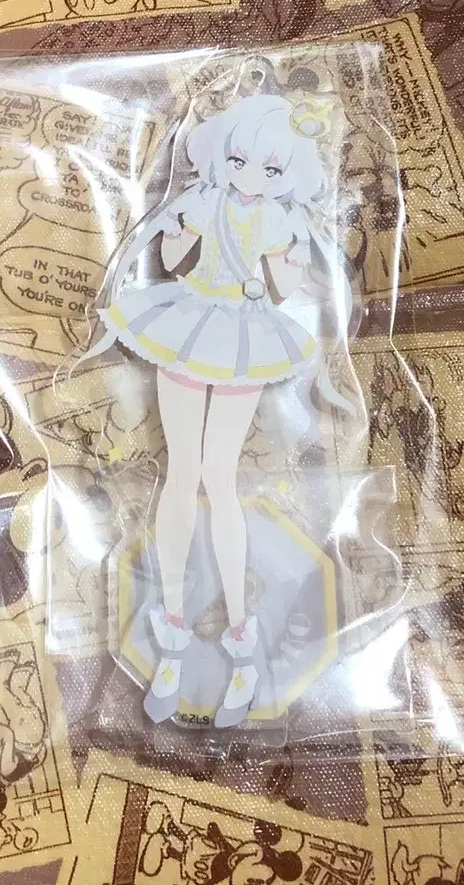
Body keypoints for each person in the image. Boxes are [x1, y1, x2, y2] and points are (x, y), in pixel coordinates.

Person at [89, 93, 353, 727]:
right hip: (189, 325)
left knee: (219, 480)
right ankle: (173, 635)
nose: (250, 176)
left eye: (270, 168)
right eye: (239, 161)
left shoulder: (281, 220)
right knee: (184, 474)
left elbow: (284, 287)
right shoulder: (202, 200)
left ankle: (241, 645)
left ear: (289, 172)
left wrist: (287, 261)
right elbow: (171, 261)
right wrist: (178, 231)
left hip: (241, 335)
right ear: (219, 155)